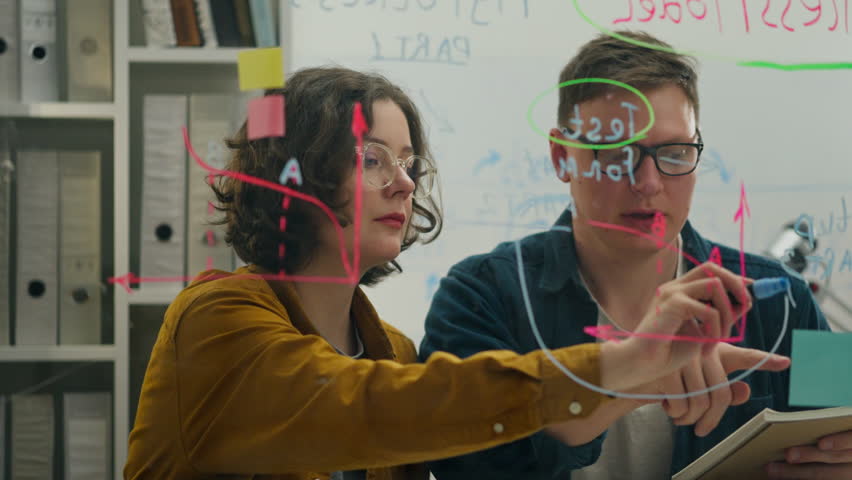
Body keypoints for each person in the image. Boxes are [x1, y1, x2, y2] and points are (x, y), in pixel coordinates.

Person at [123, 66, 774, 480]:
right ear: (564, 159)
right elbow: (396, 414)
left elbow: (831, 385)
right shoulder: (215, 319)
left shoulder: (774, 287)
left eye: (674, 152)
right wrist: (629, 367)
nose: (404, 182)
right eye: (371, 158)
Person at [419, 31, 849, 480]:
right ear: (562, 156)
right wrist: (626, 380)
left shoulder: (785, 299)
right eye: (617, 153)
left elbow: (843, 416)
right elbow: (466, 466)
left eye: (675, 153)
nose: (647, 182)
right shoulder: (480, 297)